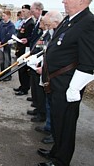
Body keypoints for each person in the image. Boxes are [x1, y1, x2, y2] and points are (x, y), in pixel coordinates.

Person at [37, 0, 94, 166]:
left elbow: (88, 62)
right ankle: (56, 151)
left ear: (82, 0)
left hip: (68, 84)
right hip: (56, 82)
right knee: (57, 120)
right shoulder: (70, 20)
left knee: (66, 124)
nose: (64, 1)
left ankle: (61, 161)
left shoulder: (88, 22)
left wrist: (74, 89)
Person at [33, 10, 63, 146]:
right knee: (48, 102)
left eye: (48, 24)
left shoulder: (59, 33)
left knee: (55, 108)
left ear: (55, 22)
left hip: (55, 75)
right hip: (47, 72)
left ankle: (54, 133)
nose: (46, 26)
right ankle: (49, 127)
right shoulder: (53, 32)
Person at [27, 2, 47, 122]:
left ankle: (41, 112)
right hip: (35, 60)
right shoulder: (42, 29)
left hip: (40, 63)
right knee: (35, 87)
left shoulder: (47, 33)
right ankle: (38, 108)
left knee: (40, 90)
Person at [13, 4, 35, 95]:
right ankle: (22, 86)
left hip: (25, 48)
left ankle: (25, 88)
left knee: (24, 70)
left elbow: (31, 36)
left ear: (29, 12)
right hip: (20, 47)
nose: (22, 13)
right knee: (20, 69)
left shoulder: (30, 23)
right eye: (22, 11)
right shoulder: (25, 22)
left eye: (24, 11)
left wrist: (26, 40)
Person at [0, 10, 16, 81]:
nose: (3, 17)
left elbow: (9, 35)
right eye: (2, 16)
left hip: (6, 45)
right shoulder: (2, 24)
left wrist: (2, 42)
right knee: (2, 60)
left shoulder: (11, 25)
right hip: (1, 44)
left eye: (4, 16)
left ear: (9, 16)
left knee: (7, 60)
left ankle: (8, 75)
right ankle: (2, 73)